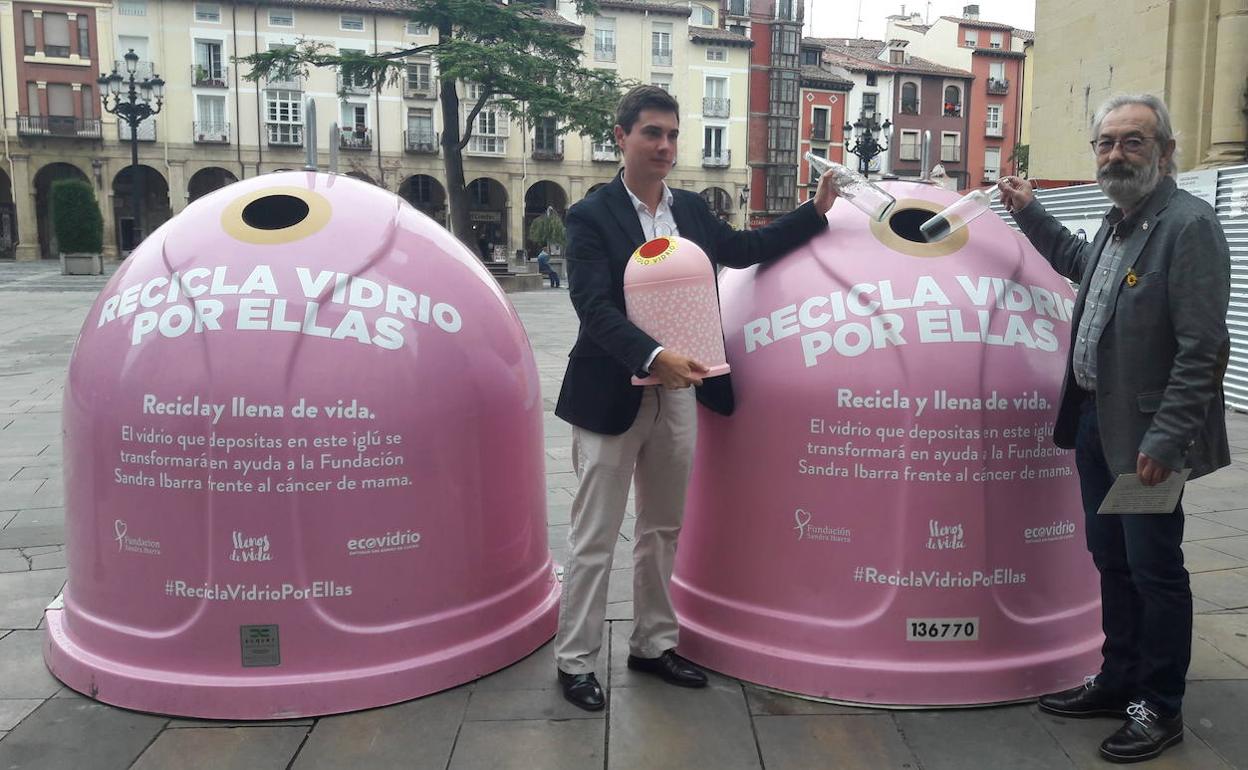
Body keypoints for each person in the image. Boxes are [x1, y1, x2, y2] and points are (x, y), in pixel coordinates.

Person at [552, 85, 840, 711]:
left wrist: (814, 214)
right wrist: (655, 356)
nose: (665, 146)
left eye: (672, 134)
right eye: (652, 132)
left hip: (681, 394)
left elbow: (742, 249)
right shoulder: (591, 215)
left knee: (662, 527)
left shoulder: (688, 209)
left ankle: (653, 644)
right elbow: (593, 307)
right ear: (621, 136)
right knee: (595, 534)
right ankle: (575, 660)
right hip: (612, 394)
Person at [998, 93, 1230, 764]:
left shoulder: (1190, 226)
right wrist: (1029, 211)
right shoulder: (1119, 221)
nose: (1116, 154)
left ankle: (1159, 706)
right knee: (1112, 559)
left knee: (1155, 570)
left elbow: (1202, 349)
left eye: (1133, 141)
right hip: (1098, 422)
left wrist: (1166, 441)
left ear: (1164, 153)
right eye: (1106, 143)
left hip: (1146, 439)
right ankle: (1118, 678)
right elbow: (1078, 263)